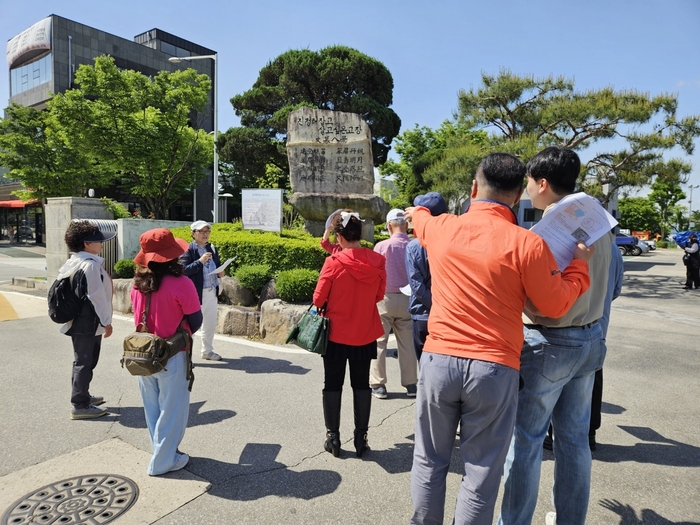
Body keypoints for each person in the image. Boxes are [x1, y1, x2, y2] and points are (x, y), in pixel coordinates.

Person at [404, 152, 593, 525]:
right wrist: (579, 266)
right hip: (495, 368)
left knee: (429, 460)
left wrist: (417, 213)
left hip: (439, 359)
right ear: (518, 195)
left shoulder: (442, 228)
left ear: (474, 188)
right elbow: (554, 305)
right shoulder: (527, 245)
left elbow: (419, 218)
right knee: (481, 470)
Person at [499, 146, 614, 525]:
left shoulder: (544, 232)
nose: (527, 190)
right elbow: (612, 286)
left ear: (543, 183)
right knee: (574, 440)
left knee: (527, 440)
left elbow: (541, 300)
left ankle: (513, 521)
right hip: (591, 339)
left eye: (530, 182)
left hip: (548, 342)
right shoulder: (600, 225)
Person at [313, 210, 386, 458]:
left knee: (332, 384)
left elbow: (318, 298)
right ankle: (361, 438)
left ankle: (333, 437)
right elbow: (378, 296)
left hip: (334, 333)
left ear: (339, 236)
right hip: (364, 331)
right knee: (361, 384)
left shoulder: (333, 262)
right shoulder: (377, 260)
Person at [131, 228, 203, 476]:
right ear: (173, 256)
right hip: (172, 353)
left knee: (152, 407)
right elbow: (196, 320)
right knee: (172, 409)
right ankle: (162, 462)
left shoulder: (137, 285)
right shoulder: (182, 283)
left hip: (143, 353)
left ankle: (162, 451)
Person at [543, 239, 624, 452]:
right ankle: (589, 433)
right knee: (592, 383)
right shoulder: (613, 249)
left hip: (560, 330)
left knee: (554, 387)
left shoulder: (557, 244)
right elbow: (616, 290)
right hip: (597, 329)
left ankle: (552, 434)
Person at [57, 221, 116, 420]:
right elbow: (96, 297)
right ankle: (80, 404)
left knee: (83, 361)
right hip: (88, 322)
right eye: (98, 241)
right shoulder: (90, 265)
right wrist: (106, 322)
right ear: (86, 244)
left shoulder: (74, 261)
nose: (101, 244)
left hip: (80, 320)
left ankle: (83, 396)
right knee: (84, 362)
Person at [371, 208, 418, 399]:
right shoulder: (415, 246)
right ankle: (411, 384)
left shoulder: (381, 247)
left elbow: (374, 274)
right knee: (407, 344)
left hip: (385, 299)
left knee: (379, 342)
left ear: (389, 226)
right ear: (406, 226)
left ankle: (378, 384)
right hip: (408, 299)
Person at [405, 192, 447, 362]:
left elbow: (416, 285)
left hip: (422, 314)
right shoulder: (452, 240)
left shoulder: (414, 246)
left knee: (424, 367)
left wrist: (433, 304)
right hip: (448, 314)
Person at [180, 220, 225, 361]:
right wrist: (200, 261)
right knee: (191, 326)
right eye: (201, 231)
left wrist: (221, 272)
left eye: (207, 231)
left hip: (211, 291)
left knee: (210, 324)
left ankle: (207, 351)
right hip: (195, 294)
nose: (205, 234)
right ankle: (186, 356)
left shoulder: (211, 248)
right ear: (193, 233)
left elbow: (216, 266)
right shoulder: (188, 250)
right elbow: (183, 271)